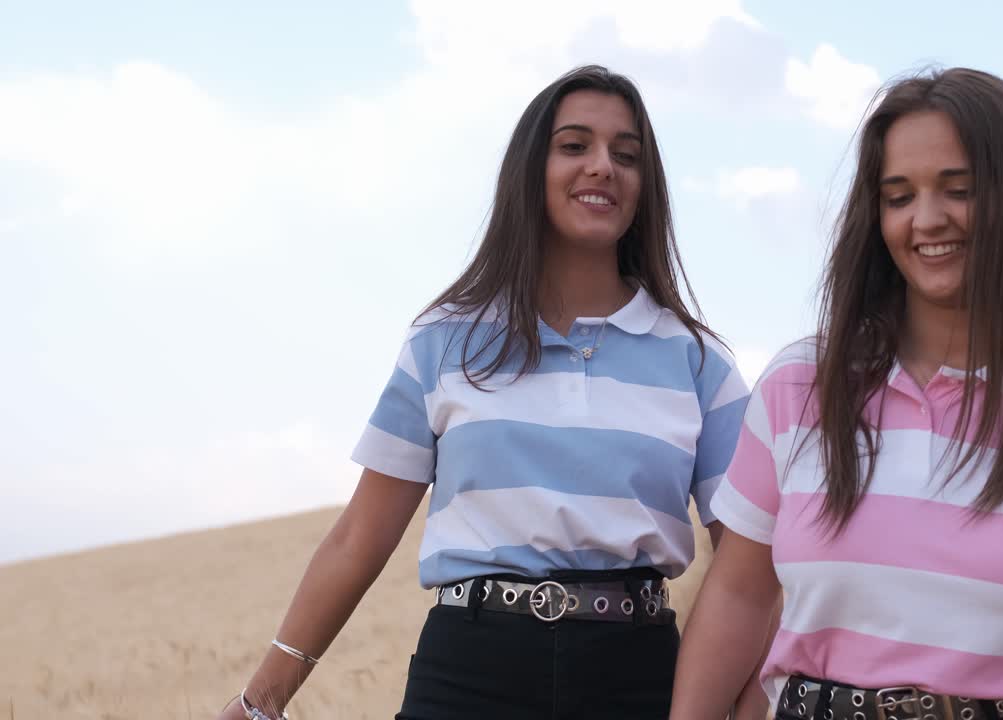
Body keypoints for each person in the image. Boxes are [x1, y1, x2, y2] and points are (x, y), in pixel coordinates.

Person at [215, 64, 756, 720]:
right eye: (575, 145)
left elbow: (752, 573)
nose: (603, 167)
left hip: (639, 680)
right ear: (531, 169)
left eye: (627, 154)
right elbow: (360, 536)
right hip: (467, 677)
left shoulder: (700, 362)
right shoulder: (443, 343)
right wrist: (260, 703)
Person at [669, 67, 1003, 720]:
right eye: (898, 195)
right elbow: (737, 601)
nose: (927, 219)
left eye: (958, 190)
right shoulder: (801, 386)